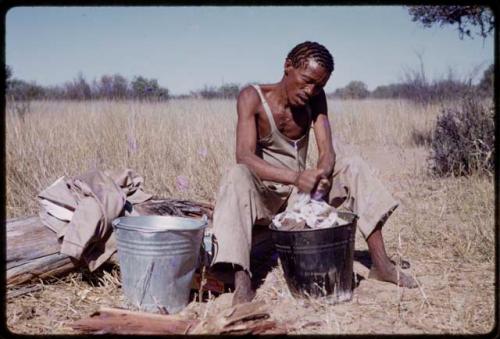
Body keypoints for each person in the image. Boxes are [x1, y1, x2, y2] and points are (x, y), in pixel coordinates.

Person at [210, 41, 418, 306]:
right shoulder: (252, 98)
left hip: (302, 195)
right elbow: (245, 156)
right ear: (287, 66)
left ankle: (381, 264)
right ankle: (242, 282)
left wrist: (320, 175)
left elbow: (327, 151)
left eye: (319, 85)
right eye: (306, 81)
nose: (311, 91)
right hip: (266, 197)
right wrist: (296, 177)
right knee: (236, 174)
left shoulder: (316, 99)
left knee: (352, 165)